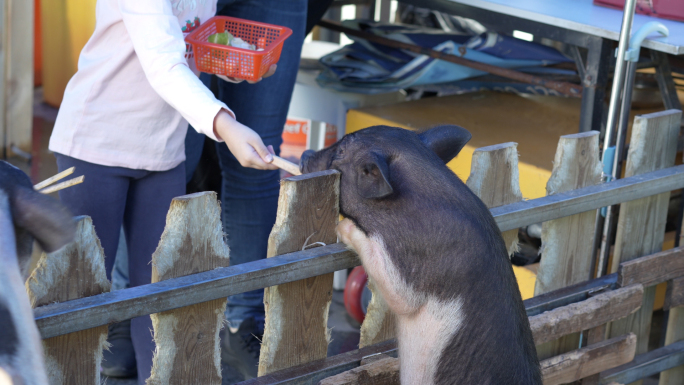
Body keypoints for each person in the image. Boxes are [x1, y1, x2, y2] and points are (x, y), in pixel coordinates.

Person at [48, 1, 279, 383]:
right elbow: (163, 64)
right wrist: (226, 125)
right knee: (81, 303)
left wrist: (240, 65)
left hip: (162, 152)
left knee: (158, 302)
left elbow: (188, 51)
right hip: (94, 146)